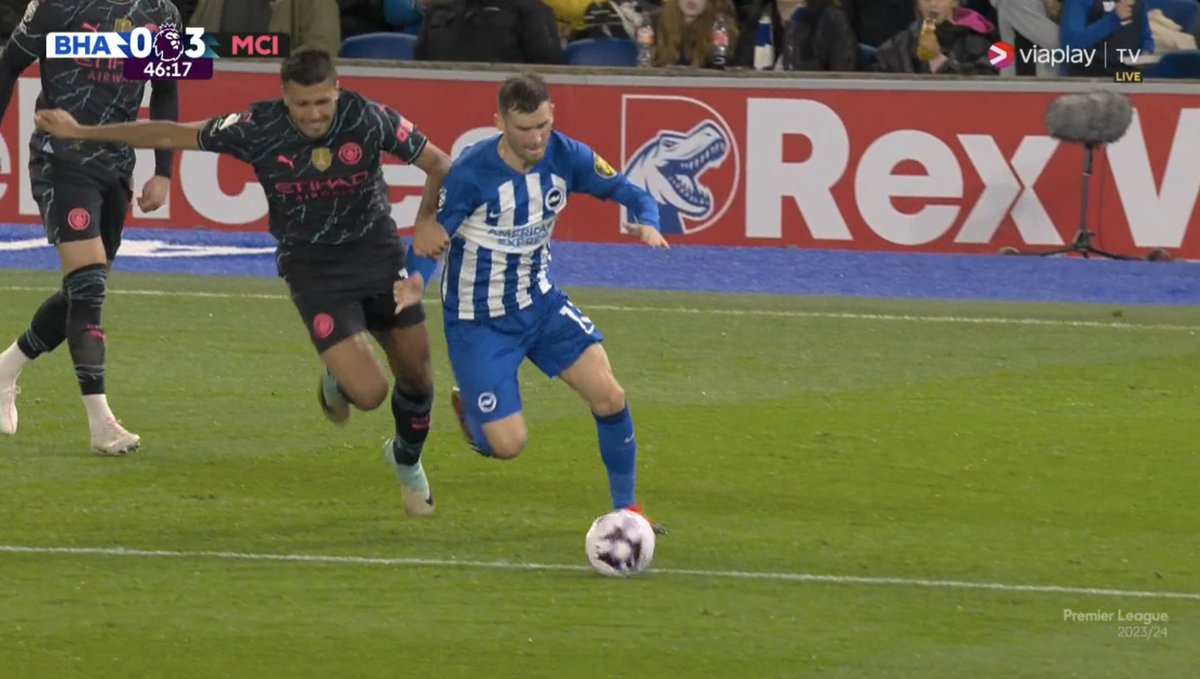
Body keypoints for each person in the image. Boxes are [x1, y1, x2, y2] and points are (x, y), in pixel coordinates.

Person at [36, 47, 451, 518]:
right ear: (285, 98)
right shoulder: (257, 127)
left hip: (377, 254)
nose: (314, 114)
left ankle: (406, 458)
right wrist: (82, 131)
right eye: (302, 105)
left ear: (336, 90)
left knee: (417, 374)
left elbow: (440, 163)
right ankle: (340, 371)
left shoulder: (369, 118)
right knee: (369, 394)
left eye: (322, 102)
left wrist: (425, 219)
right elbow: (174, 132)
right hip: (313, 268)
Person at [401, 72, 670, 531]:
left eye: (543, 124)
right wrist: (413, 285)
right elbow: (430, 238)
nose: (536, 137)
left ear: (552, 115)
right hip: (478, 321)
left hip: (540, 304)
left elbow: (629, 191)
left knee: (609, 395)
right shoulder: (471, 172)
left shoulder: (567, 155)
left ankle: (628, 510)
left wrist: (645, 220)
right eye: (524, 129)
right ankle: (475, 413)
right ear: (500, 122)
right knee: (507, 445)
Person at [0, 0, 183, 454]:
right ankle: (102, 423)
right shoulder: (54, 6)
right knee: (88, 287)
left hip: (117, 166)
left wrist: (163, 170)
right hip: (61, 160)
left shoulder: (163, 13)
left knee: (83, 291)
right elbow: (8, 66)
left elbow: (165, 89)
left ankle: (5, 371)